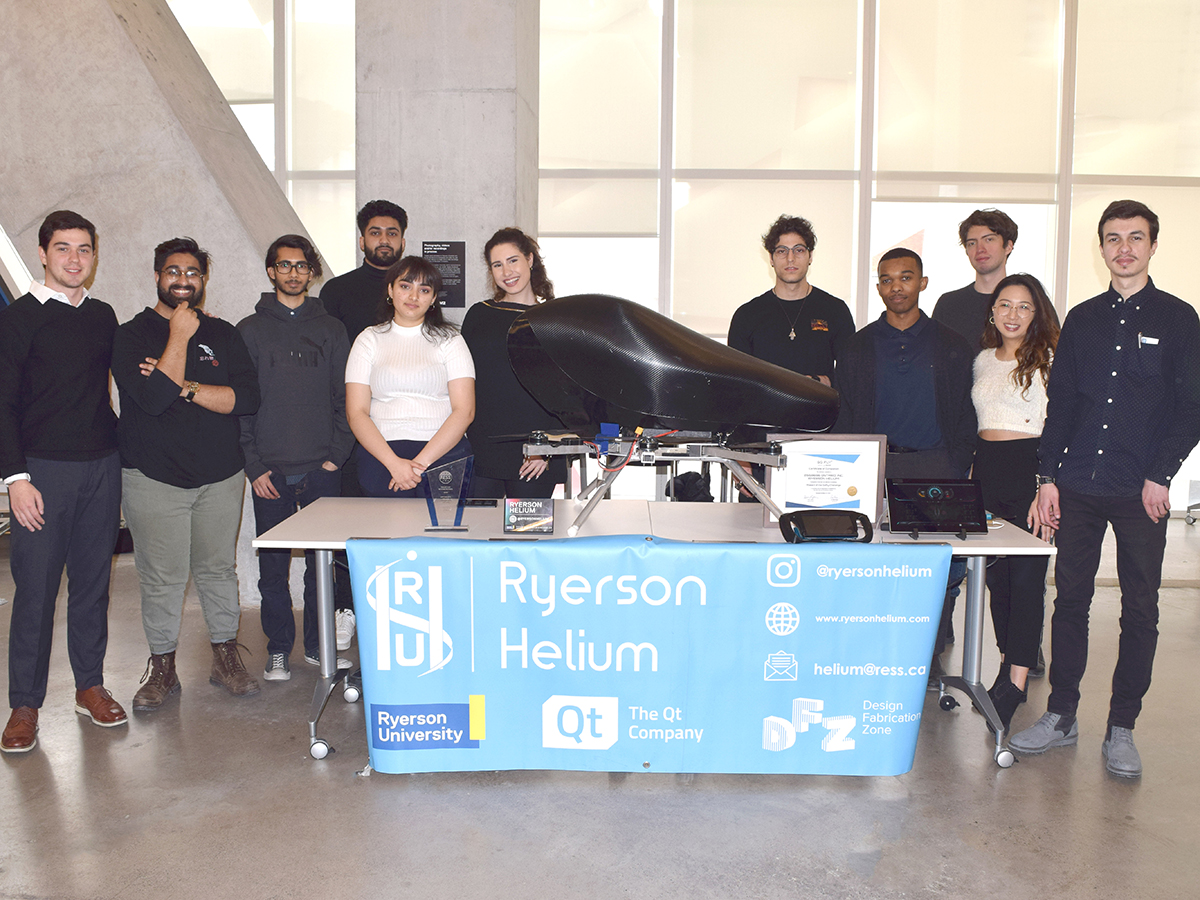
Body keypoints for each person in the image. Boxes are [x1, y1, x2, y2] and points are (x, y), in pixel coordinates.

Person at [1010, 200, 1200, 777]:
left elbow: (1191, 407)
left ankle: (1122, 727)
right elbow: (1063, 404)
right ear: (1101, 248)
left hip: (1140, 489)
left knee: (1140, 608)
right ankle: (1061, 714)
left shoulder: (1179, 319)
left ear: (1152, 246)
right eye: (1113, 238)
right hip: (1079, 486)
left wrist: (1160, 474)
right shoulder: (1084, 320)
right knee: (1070, 601)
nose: (1124, 248)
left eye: (1135, 238)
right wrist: (1047, 479)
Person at [111, 237, 262, 710]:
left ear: (203, 279)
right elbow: (151, 400)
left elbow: (246, 400)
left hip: (219, 477)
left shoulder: (225, 333)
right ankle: (162, 668)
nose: (183, 280)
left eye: (193, 272)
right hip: (153, 477)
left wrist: (182, 383)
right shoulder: (131, 334)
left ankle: (224, 657)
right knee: (161, 578)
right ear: (157, 276)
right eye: (174, 271)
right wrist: (178, 335)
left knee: (218, 570)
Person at [0, 211, 126, 753]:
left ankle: (89, 685)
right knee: (35, 592)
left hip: (102, 467)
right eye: (63, 249)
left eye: (84, 250)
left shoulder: (103, 316)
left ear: (94, 256)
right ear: (44, 254)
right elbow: (2, 403)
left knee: (93, 588)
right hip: (41, 474)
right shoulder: (19, 318)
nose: (74, 260)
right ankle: (24, 704)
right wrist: (15, 478)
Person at [833, 248, 976, 686]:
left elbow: (965, 413)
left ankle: (927, 658)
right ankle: (874, 653)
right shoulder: (857, 345)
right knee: (873, 566)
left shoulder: (951, 343)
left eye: (906, 277)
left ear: (922, 283)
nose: (896, 287)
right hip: (876, 467)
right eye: (887, 279)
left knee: (934, 571)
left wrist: (959, 465)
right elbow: (846, 411)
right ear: (878, 287)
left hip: (936, 467)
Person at [238, 234, 354, 682]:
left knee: (320, 566)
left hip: (322, 469)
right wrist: (253, 466)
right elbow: (243, 404)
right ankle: (278, 648)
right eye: (284, 265)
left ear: (311, 271)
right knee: (273, 567)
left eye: (301, 265)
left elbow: (346, 397)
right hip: (270, 471)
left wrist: (335, 458)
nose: (292, 272)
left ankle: (315, 646)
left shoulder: (331, 329)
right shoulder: (249, 330)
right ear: (272, 271)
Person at [317, 199, 408, 649]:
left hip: (401, 428)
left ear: (403, 239)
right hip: (352, 424)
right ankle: (348, 609)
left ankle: (398, 610)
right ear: (362, 240)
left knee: (401, 525)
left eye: (392, 233)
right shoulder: (336, 291)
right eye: (375, 233)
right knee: (350, 525)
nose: (384, 240)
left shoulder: (413, 286)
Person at [970, 273, 1059, 731]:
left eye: (1024, 306)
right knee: (995, 582)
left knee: (1026, 582)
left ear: (1036, 313)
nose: (1013, 314)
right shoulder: (983, 359)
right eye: (1005, 305)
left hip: (1030, 473)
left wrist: (1048, 484)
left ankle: (1019, 681)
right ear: (993, 311)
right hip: (987, 472)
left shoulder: (1050, 360)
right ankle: (1007, 663)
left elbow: (1060, 428)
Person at [345, 255, 475, 499]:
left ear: (434, 298)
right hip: (382, 454)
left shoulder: (451, 340)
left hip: (443, 453)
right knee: (389, 535)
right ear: (390, 290)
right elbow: (356, 412)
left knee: (441, 536)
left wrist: (419, 465)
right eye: (405, 286)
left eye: (424, 290)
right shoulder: (368, 340)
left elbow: (464, 411)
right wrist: (394, 464)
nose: (414, 296)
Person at [461, 227, 565, 498]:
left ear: (530, 260)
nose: (506, 272)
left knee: (528, 537)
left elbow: (564, 392)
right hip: (483, 449)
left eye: (513, 260)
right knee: (478, 537)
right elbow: (464, 382)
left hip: (535, 454)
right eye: (497, 265)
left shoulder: (555, 320)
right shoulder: (478, 315)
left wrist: (545, 449)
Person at [728, 215, 855, 387]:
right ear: (771, 259)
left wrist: (825, 381)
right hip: (765, 413)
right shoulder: (747, 315)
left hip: (819, 411)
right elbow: (735, 380)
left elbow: (852, 374)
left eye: (799, 250)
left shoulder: (835, 311)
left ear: (810, 256)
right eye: (782, 251)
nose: (790, 258)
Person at [933, 209, 1019, 355]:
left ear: (1008, 246)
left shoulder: (1029, 302)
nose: (980, 249)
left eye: (989, 239)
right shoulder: (948, 305)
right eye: (972, 243)